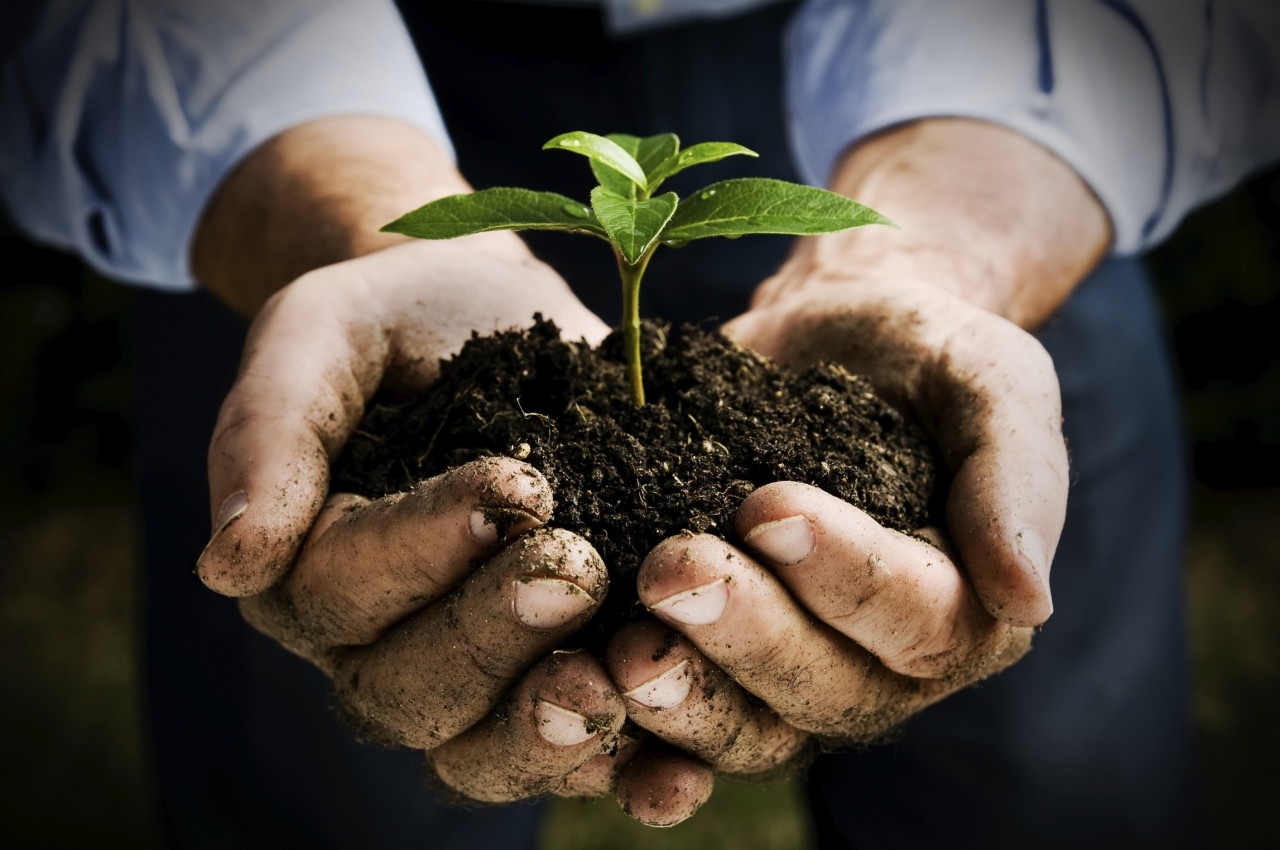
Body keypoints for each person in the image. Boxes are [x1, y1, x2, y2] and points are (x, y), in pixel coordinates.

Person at [3, 0, 1278, 846]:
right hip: (322, 92)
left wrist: (931, 256)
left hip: (970, 110)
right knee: (335, 784)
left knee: (1043, 784)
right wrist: (345, 221)